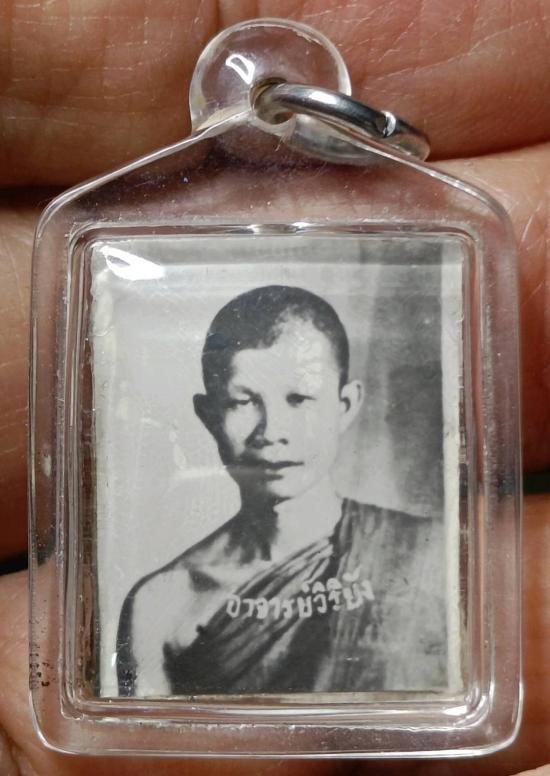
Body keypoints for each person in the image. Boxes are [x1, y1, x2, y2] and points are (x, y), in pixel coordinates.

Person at [116, 285, 447, 697]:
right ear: (209, 416)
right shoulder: (162, 604)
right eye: (243, 402)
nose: (272, 432)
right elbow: (147, 740)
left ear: (345, 406)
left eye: (299, 398)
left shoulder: (431, 555)